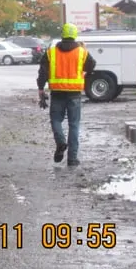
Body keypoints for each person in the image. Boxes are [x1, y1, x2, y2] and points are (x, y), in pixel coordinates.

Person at [37, 23, 95, 166]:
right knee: (74, 125)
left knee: (56, 120)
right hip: (74, 93)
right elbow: (91, 65)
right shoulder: (82, 52)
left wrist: (40, 88)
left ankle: (61, 142)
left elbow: (43, 71)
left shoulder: (51, 52)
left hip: (57, 93)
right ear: (75, 35)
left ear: (62, 35)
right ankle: (72, 159)